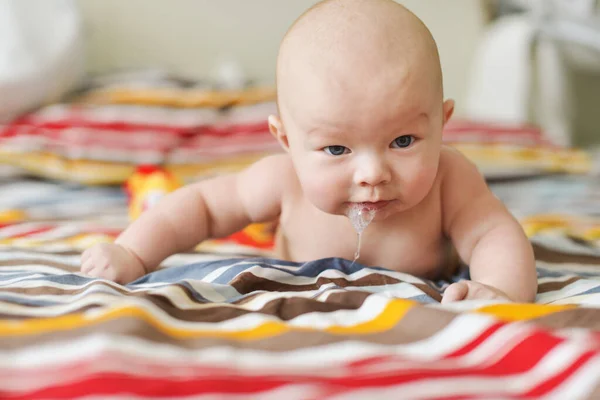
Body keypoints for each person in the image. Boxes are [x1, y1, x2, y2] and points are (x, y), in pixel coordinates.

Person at [81, 0, 537, 303]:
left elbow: (494, 234)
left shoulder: (450, 179)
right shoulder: (281, 181)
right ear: (286, 142)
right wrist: (132, 255)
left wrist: (499, 292)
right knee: (179, 206)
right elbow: (199, 207)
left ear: (442, 124)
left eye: (402, 142)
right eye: (336, 148)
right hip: (285, 266)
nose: (372, 173)